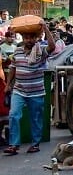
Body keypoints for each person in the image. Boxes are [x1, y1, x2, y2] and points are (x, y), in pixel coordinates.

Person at [3, 19, 56, 155]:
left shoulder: (41, 51)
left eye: (31, 38)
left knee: (35, 118)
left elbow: (52, 46)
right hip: (19, 90)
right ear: (23, 38)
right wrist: (8, 85)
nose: (29, 40)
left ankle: (35, 143)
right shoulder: (18, 51)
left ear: (36, 38)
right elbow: (13, 68)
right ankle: (14, 144)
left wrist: (45, 29)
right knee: (14, 115)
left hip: (36, 91)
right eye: (26, 38)